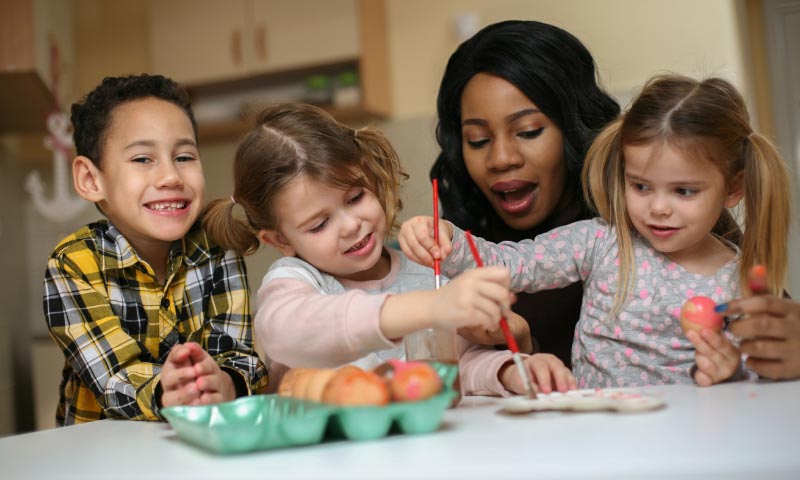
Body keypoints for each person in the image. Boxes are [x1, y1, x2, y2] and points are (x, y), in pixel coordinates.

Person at [400, 74, 791, 388]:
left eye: (684, 191)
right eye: (640, 186)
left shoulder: (740, 282)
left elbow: (762, 379)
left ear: (734, 189)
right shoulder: (601, 241)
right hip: (593, 436)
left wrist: (730, 375)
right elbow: (513, 264)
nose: (657, 207)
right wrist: (447, 240)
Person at [203, 103, 575, 396]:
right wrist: (429, 308)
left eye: (356, 197)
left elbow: (454, 370)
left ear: (370, 176)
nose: (351, 224)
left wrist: (510, 370)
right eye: (319, 224)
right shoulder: (295, 283)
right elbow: (286, 331)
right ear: (280, 241)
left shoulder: (423, 276)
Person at [43, 74, 268, 426]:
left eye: (184, 156)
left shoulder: (217, 245)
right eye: (142, 159)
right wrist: (167, 390)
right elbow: (112, 379)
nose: (171, 177)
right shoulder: (73, 263)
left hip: (198, 440)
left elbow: (238, 354)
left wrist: (224, 382)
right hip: (98, 455)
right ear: (91, 179)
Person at [431, 20, 620, 367]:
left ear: (573, 129)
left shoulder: (647, 222)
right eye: (479, 141)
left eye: (529, 131)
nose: (501, 159)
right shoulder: (457, 249)